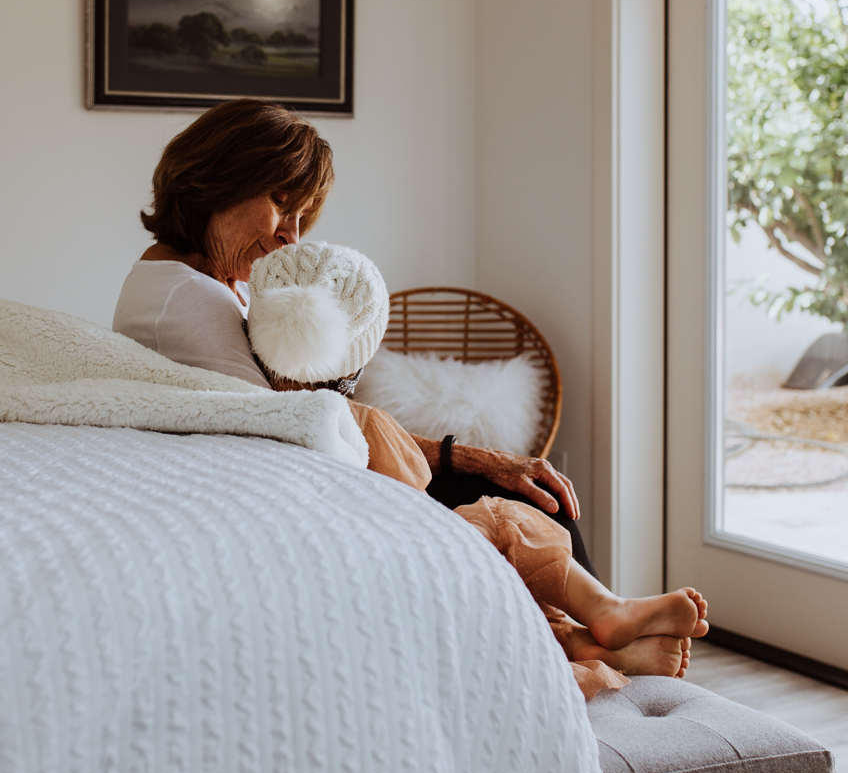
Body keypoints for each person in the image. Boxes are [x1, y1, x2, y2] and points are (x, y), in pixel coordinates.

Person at [113, 97, 589, 563]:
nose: (292, 236)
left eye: (302, 216)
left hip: (330, 468)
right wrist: (468, 458)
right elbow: (294, 431)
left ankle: (597, 629)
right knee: (540, 505)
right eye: (281, 203)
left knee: (537, 500)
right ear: (217, 179)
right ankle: (597, 629)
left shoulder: (200, 282)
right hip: (311, 491)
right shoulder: (190, 298)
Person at [243, 239, 707, 698]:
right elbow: (414, 503)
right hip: (410, 568)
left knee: (501, 550)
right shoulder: (365, 423)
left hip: (356, 566)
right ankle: (602, 612)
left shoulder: (249, 414)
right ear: (358, 363)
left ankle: (586, 643)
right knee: (505, 523)